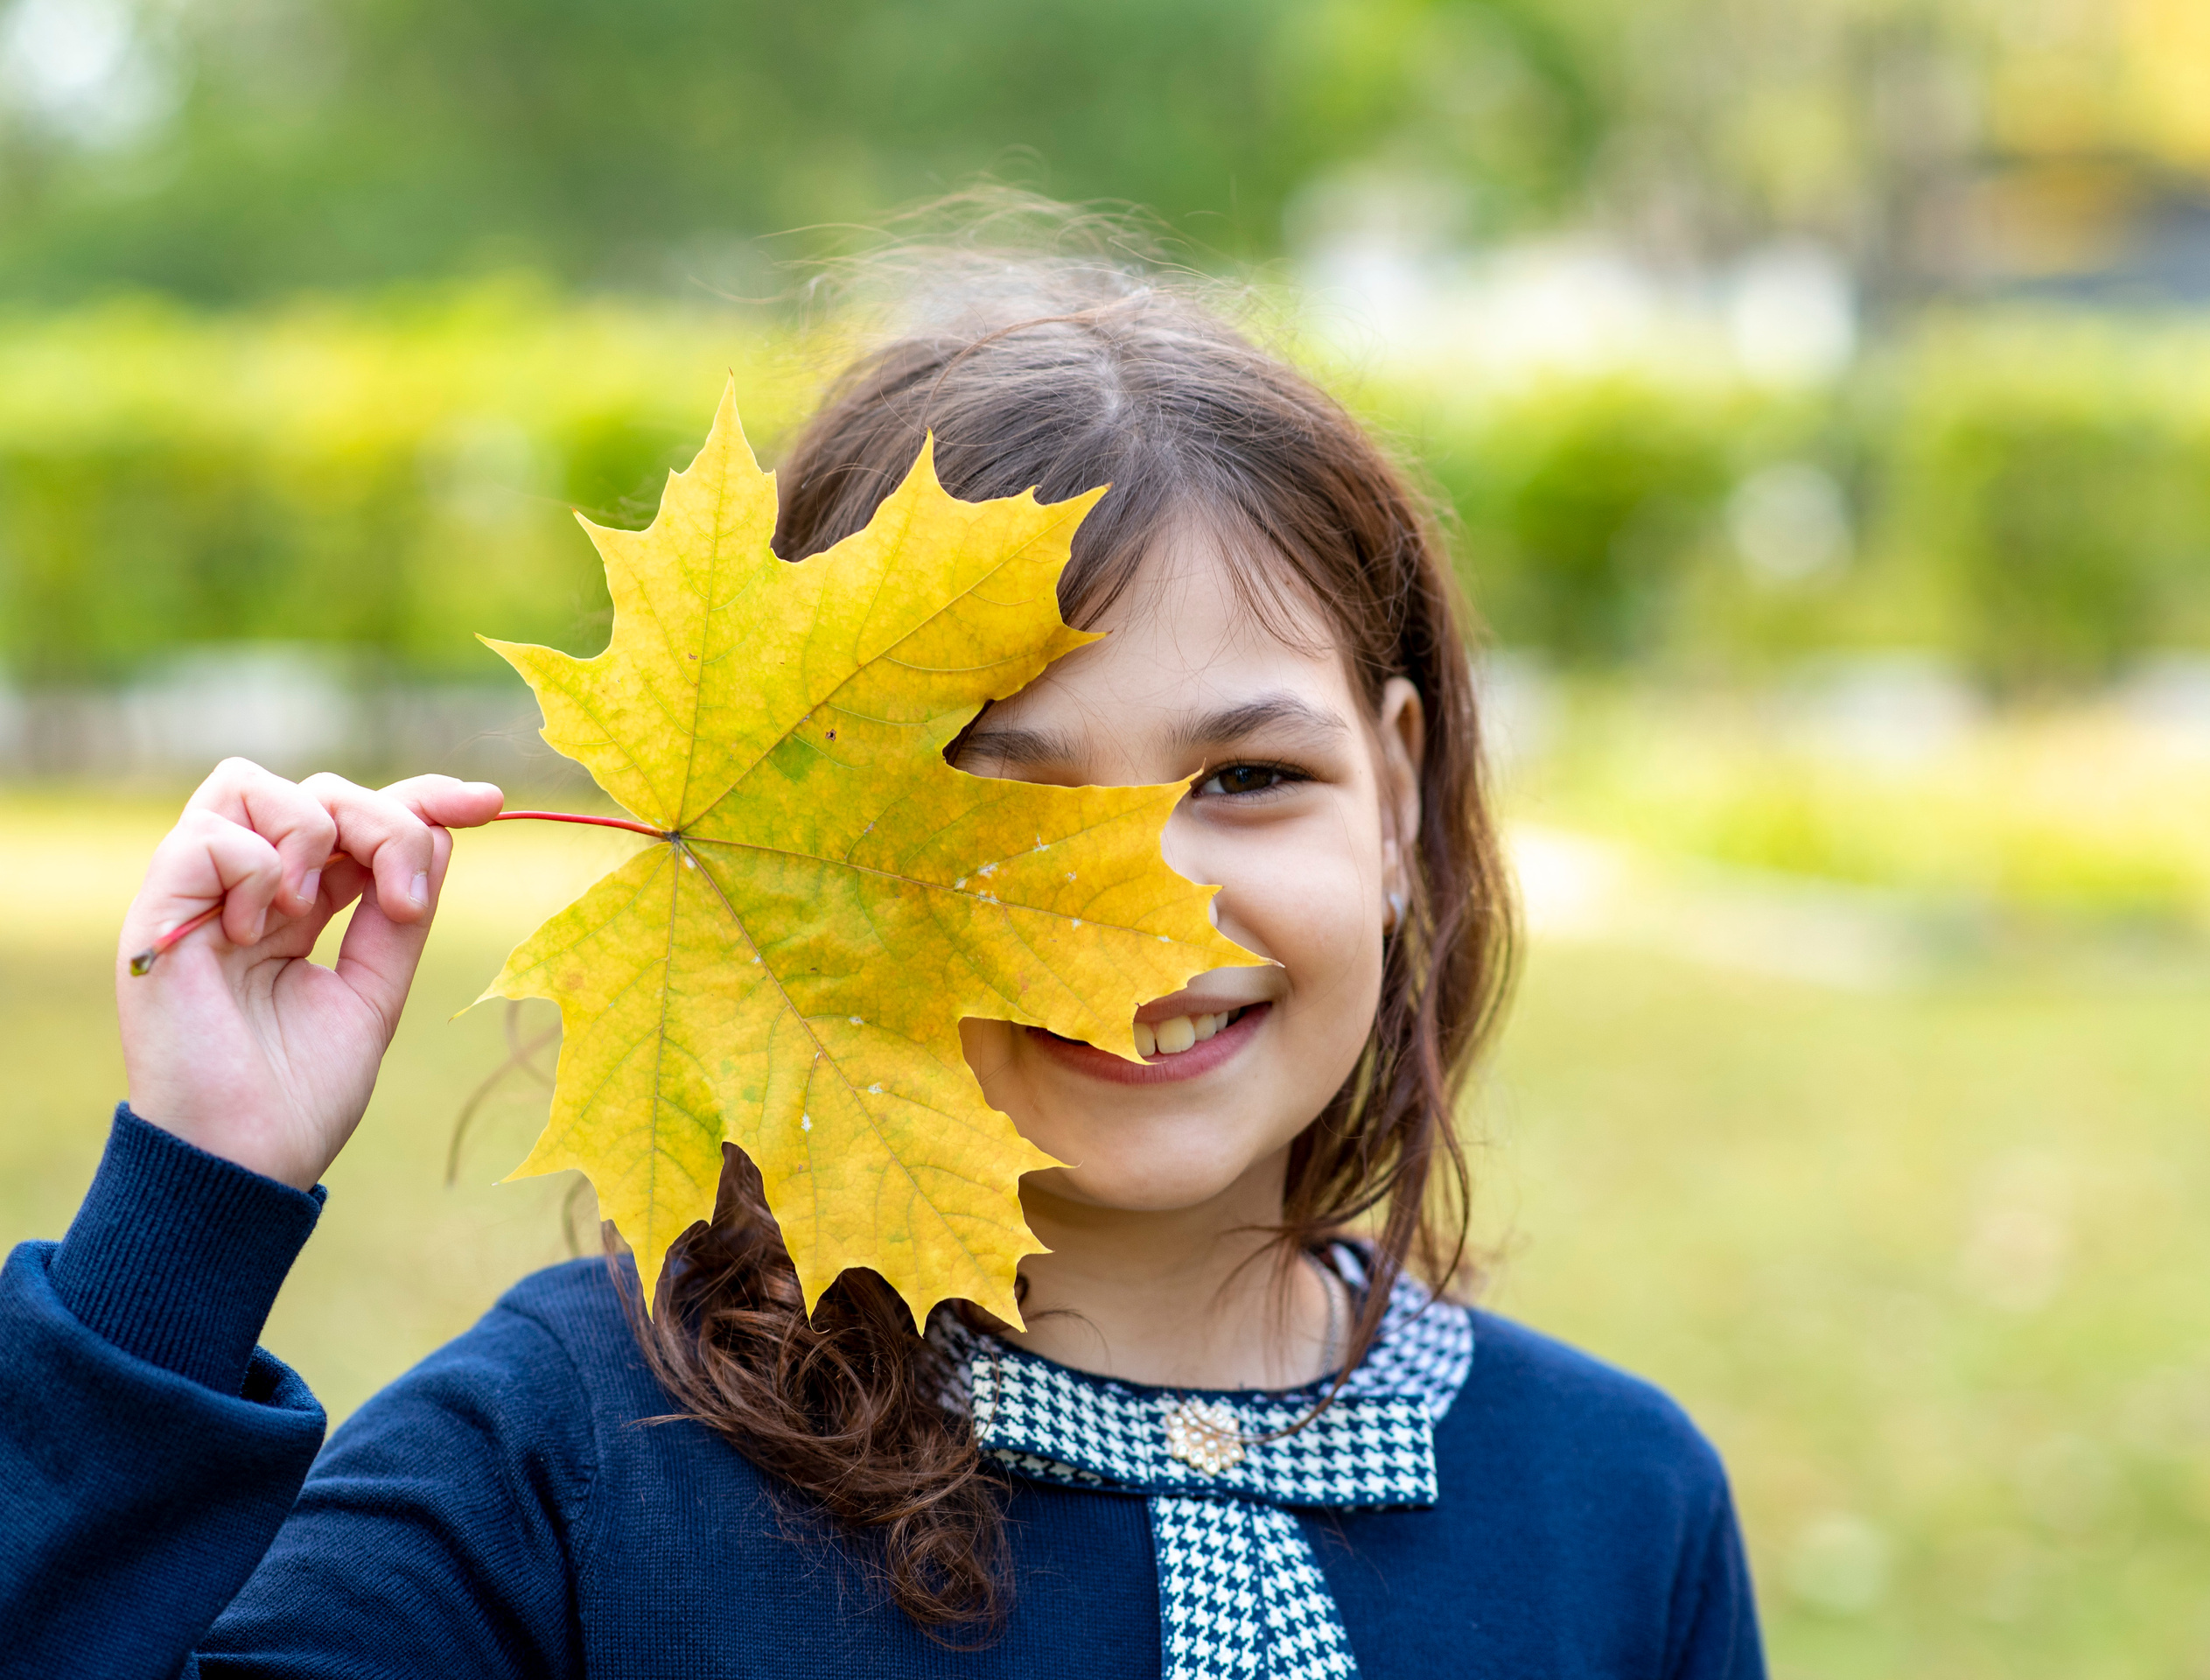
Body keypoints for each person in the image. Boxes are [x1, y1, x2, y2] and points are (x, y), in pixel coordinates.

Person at [0, 257, 1765, 1679]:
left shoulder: (1612, 1510)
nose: (1142, 913)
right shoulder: (559, 1472)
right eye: (1002, 806)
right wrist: (189, 1214)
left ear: (1391, 799)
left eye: (1247, 780)